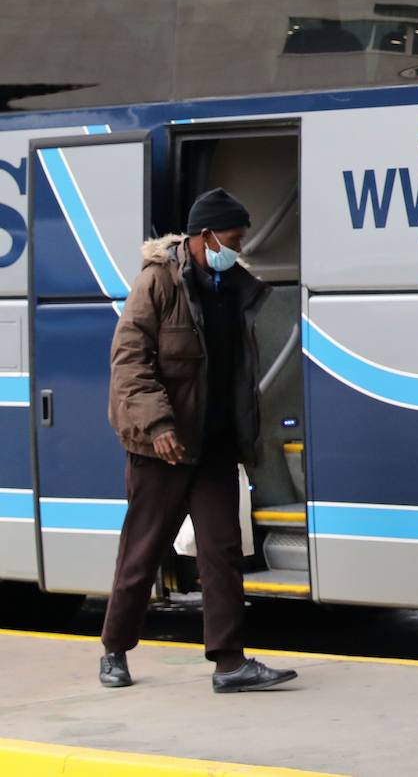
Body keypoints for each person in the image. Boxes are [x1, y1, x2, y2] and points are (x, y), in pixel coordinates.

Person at [100, 188, 297, 694]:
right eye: (232, 238)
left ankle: (229, 663)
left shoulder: (231, 284)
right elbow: (130, 363)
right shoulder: (156, 284)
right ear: (203, 236)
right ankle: (115, 649)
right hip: (160, 448)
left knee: (222, 552)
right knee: (143, 550)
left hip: (214, 446)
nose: (238, 247)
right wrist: (159, 425)